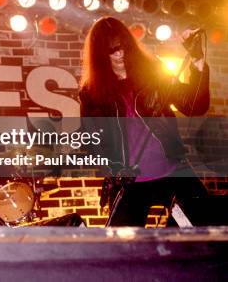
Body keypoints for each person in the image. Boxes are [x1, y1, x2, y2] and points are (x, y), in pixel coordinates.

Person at [78, 16, 209, 226]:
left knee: (207, 225)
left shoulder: (153, 73)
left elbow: (195, 105)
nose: (120, 54)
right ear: (101, 54)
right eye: (112, 50)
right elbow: (92, 142)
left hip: (173, 170)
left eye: (123, 47)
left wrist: (197, 60)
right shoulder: (92, 94)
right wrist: (113, 168)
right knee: (123, 249)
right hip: (130, 183)